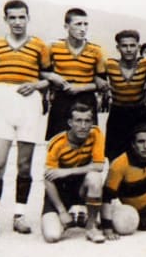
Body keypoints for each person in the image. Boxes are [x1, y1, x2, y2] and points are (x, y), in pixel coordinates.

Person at [0, 0, 51, 241]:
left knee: (24, 165)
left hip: (28, 103)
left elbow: (49, 78)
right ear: (5, 19)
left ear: (28, 18)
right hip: (2, 102)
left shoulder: (39, 45)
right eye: (13, 17)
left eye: (22, 17)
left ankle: (19, 216)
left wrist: (36, 85)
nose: (18, 22)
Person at [41, 102, 106, 243]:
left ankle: (91, 226)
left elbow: (99, 166)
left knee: (95, 177)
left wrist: (67, 171)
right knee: (52, 236)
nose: (83, 126)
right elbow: (47, 179)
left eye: (87, 121)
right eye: (78, 121)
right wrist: (61, 211)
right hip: (61, 191)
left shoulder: (96, 133)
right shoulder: (57, 143)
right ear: (70, 122)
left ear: (92, 122)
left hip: (81, 188)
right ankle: (71, 214)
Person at [43, 8, 106, 140]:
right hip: (62, 99)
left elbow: (102, 84)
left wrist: (80, 88)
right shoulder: (53, 47)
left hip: (86, 100)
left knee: (87, 142)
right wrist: (52, 76)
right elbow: (41, 71)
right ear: (66, 26)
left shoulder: (96, 51)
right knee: (58, 141)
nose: (83, 29)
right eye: (78, 24)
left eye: (85, 24)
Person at [104, 30, 146, 162]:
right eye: (124, 46)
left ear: (138, 47)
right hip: (118, 113)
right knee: (115, 157)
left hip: (140, 113)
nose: (128, 49)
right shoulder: (109, 65)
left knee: (142, 156)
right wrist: (101, 82)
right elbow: (96, 75)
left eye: (132, 45)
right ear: (118, 48)